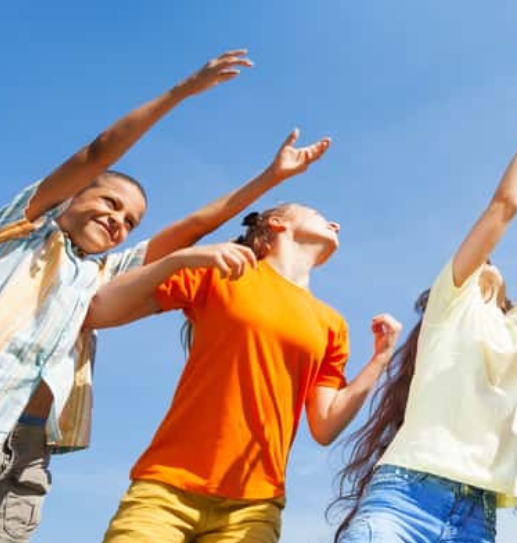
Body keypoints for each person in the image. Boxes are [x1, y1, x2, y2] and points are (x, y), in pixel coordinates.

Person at [0, 50, 329, 543]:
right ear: (70, 198)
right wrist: (180, 93)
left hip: (29, 441)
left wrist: (270, 179)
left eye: (130, 221)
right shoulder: (26, 227)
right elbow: (98, 154)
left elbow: (194, 229)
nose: (118, 221)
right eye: (110, 203)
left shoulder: (103, 273)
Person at [330, 80, 517, 543]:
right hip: (403, 499)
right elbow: (503, 208)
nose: (486, 260)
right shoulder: (450, 305)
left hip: (476, 517)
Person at [88, 200, 399, 542]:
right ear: (277, 223)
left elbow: (324, 426)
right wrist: (178, 259)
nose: (335, 224)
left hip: (254, 507)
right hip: (166, 488)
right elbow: (100, 311)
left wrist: (380, 360)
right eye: (320, 216)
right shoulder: (223, 270)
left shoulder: (332, 324)